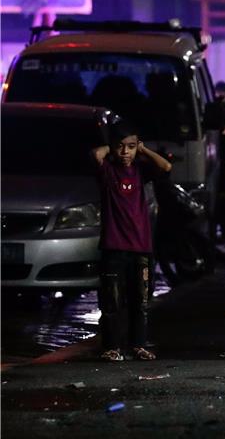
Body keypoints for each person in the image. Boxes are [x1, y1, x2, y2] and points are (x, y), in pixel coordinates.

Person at [91, 122, 172, 362]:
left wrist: (144, 150)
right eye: (121, 147)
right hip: (114, 247)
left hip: (141, 249)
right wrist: (113, 145)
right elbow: (96, 154)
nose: (126, 153)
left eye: (131, 147)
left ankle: (138, 345)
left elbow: (166, 166)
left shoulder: (140, 170)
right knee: (111, 302)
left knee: (141, 301)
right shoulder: (108, 171)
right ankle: (111, 347)